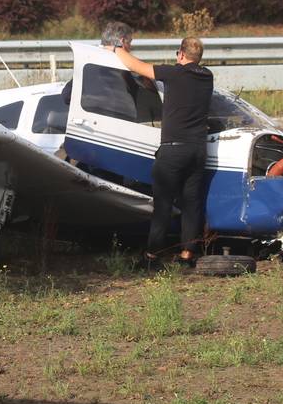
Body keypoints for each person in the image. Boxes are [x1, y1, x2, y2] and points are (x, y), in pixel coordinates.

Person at [115, 36, 213, 268]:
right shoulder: (207, 76)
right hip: (198, 150)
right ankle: (187, 256)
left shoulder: (174, 73)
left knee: (163, 205)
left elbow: (135, 66)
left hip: (173, 151)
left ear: (180, 54)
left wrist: (118, 48)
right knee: (191, 204)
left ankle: (152, 257)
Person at [61, 21, 135, 104]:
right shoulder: (123, 67)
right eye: (129, 42)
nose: (131, 47)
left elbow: (67, 95)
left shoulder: (88, 64)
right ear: (122, 42)